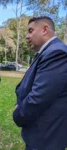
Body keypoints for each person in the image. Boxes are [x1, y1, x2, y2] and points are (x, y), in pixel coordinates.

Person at [13, 16, 67, 150]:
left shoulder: (56, 53)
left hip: (46, 138)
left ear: (44, 29)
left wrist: (18, 113)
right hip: (42, 134)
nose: (27, 36)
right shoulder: (47, 52)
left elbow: (39, 98)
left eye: (30, 31)